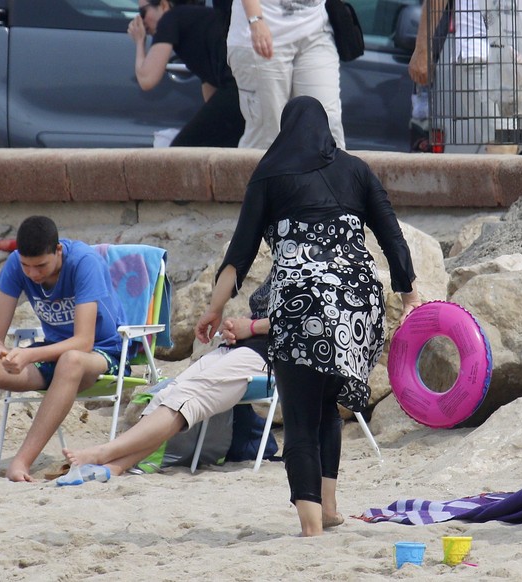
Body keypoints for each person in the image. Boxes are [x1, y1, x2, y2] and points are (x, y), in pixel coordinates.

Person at [197, 96, 420, 536]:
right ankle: (330, 505)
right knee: (325, 408)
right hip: (354, 306)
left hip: (302, 304)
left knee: (299, 414)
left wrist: (215, 306)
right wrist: (409, 292)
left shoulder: (269, 172)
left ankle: (312, 527)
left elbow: (238, 256)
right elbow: (390, 232)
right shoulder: (356, 169)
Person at [0, 216, 127, 483]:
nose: (33, 273)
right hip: (51, 354)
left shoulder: (83, 262)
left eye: (40, 265)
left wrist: (29, 354)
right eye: (26, 266)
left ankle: (21, 462)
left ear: (57, 251)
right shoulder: (15, 265)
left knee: (71, 359)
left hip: (101, 355)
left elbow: (84, 342)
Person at [62, 279, 272, 477]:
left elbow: (301, 319)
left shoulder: (303, 265)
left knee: (184, 398)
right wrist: (237, 326)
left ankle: (103, 453)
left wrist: (252, 327)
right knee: (166, 393)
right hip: (240, 346)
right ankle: (116, 466)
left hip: (272, 356)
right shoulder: (284, 263)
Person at [408, 0, 522, 151]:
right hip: (478, 56)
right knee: (503, 144)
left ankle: (497, 192)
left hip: (520, 60)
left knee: (514, 147)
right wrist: (423, 51)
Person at [226, 0, 345, 149]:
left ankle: (334, 172)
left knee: (327, 127)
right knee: (268, 136)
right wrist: (255, 20)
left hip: (316, 31)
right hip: (263, 32)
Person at [130, 0, 245, 147]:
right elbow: (211, 92)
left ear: (164, 5)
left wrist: (140, 42)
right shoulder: (196, 22)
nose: (141, 21)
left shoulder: (170, 18)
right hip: (246, 90)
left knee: (181, 153)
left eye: (142, 13)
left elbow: (147, 80)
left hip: (237, 90)